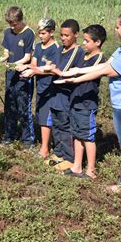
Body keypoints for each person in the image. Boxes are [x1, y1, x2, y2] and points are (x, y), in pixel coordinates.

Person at [62, 11, 121, 192]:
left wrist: (76, 79)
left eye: (118, 27)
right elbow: (106, 64)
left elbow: (108, 71)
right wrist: (78, 70)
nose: (115, 29)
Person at [64, 24, 106, 179]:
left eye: (87, 41)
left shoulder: (100, 58)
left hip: (87, 103)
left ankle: (91, 170)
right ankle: (76, 166)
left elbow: (92, 74)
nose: (83, 43)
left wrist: (73, 79)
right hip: (76, 99)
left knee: (87, 136)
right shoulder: (83, 55)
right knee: (76, 134)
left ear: (98, 42)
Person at [47, 19, 85, 171]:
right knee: (56, 124)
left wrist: (52, 69)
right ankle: (59, 153)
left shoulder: (77, 52)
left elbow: (63, 71)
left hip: (66, 94)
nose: (63, 38)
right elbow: (53, 66)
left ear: (76, 35)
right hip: (55, 93)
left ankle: (69, 157)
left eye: (67, 36)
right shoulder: (60, 49)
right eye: (61, 35)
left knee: (65, 125)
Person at [18, 18, 59, 158]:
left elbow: (51, 69)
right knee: (41, 115)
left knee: (46, 118)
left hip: (50, 88)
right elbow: (34, 63)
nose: (41, 36)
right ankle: (46, 144)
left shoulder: (56, 49)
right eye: (39, 33)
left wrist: (34, 71)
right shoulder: (39, 46)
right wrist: (26, 66)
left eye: (44, 33)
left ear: (52, 32)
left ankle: (45, 149)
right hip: (40, 87)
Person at [1, 6, 35, 148]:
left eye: (14, 24)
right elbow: (6, 53)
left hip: (23, 76)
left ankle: (28, 140)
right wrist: (1, 60)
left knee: (23, 108)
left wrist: (14, 65)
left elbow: (28, 57)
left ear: (21, 20)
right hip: (10, 75)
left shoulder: (29, 34)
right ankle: (9, 135)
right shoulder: (7, 33)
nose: (12, 27)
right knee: (9, 106)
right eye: (10, 24)